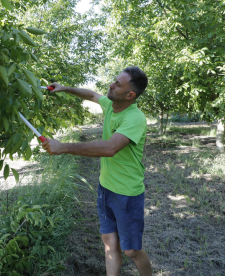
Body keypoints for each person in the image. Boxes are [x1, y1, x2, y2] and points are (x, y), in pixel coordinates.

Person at [42, 66, 152, 276]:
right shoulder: (110, 104)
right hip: (105, 188)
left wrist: (64, 147)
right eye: (114, 80)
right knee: (109, 243)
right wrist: (64, 88)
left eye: (118, 84)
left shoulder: (134, 118)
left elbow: (110, 148)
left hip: (127, 193)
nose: (111, 85)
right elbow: (92, 94)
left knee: (131, 250)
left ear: (130, 95)